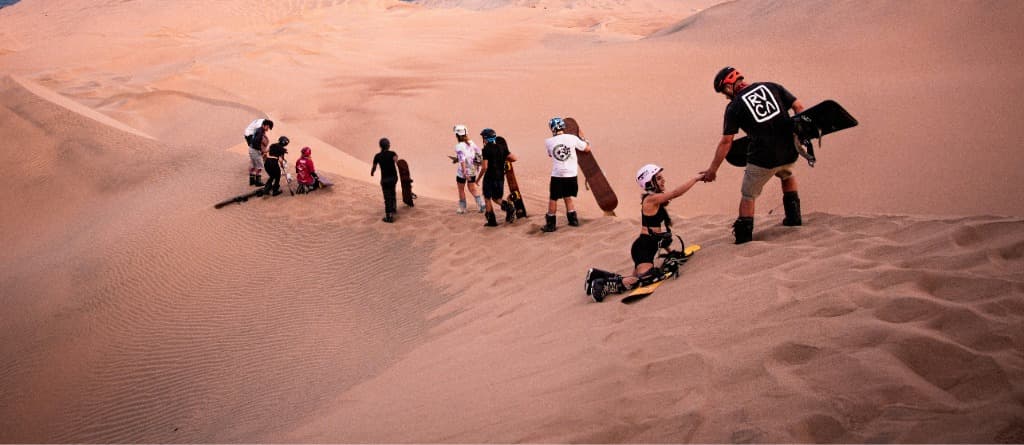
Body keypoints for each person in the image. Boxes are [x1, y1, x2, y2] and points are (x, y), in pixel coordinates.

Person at [700, 66, 805, 244]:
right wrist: (801, 132)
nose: (725, 96)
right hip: (789, 150)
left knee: (748, 194)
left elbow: (726, 142)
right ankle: (794, 218)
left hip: (763, 158)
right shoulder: (771, 86)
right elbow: (799, 106)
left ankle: (744, 237)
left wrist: (713, 170)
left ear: (728, 86)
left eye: (723, 92)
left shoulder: (733, 107)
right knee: (786, 173)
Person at [586, 165, 705, 302]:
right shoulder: (651, 199)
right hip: (643, 248)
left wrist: (670, 251)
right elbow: (675, 193)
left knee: (637, 278)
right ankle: (602, 284)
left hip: (648, 246)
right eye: (659, 178)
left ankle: (596, 275)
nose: (663, 181)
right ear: (649, 182)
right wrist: (696, 178)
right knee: (645, 279)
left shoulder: (656, 199)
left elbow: (657, 234)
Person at [541, 117, 590, 232]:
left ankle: (551, 224)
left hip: (557, 174)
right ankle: (573, 220)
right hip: (571, 174)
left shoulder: (548, 142)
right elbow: (587, 149)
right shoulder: (572, 138)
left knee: (553, 198)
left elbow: (550, 154)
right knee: (567, 196)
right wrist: (583, 138)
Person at [475, 128, 517, 226]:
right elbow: (514, 158)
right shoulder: (502, 147)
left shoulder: (486, 149)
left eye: (483, 138)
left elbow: (484, 167)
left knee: (487, 198)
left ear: (485, 138)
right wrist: (503, 158)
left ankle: (491, 221)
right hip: (500, 177)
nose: (482, 140)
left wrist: (478, 179)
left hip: (490, 177)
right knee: (497, 198)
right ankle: (509, 208)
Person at [452, 124, 485, 214]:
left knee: (461, 189)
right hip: (473, 170)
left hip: (462, 172)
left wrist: (464, 172)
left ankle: (462, 208)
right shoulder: (471, 142)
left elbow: (462, 159)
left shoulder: (458, 146)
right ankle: (481, 204)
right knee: (472, 188)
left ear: (457, 135)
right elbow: (479, 153)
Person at [371, 137, 399, 223]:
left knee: (387, 197)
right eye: (389, 144)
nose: (390, 145)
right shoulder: (392, 153)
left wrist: (372, 172)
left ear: (380, 146)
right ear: (387, 145)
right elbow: (397, 161)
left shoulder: (377, 156)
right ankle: (393, 208)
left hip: (385, 179)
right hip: (394, 178)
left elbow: (374, 167)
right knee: (392, 192)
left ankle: (389, 216)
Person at [248, 119, 273, 187]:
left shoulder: (258, 130)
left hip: (251, 149)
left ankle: (252, 180)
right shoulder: (260, 132)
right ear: (265, 125)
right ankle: (258, 182)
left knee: (253, 164)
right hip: (255, 150)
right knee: (260, 166)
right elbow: (256, 142)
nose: (268, 129)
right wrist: (261, 150)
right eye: (268, 127)